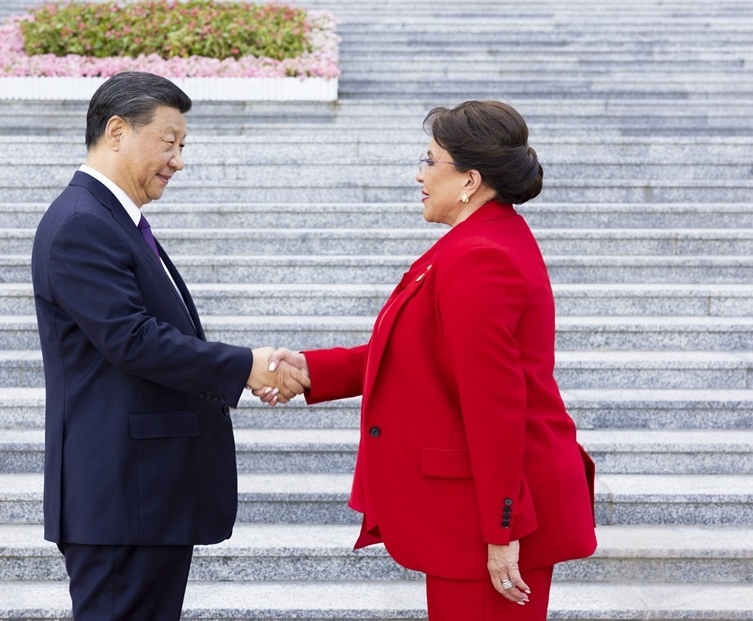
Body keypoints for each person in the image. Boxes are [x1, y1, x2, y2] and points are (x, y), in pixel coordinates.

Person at [263, 101, 597, 620]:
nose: (419, 175)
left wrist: (502, 529)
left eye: (429, 160)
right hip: (487, 506)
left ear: (470, 180)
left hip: (497, 512)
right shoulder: (480, 240)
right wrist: (312, 370)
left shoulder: (479, 256)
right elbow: (420, 351)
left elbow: (494, 404)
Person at [31, 71, 307, 621]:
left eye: (183, 146)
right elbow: (132, 339)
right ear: (117, 132)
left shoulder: (112, 220)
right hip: (121, 498)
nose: (178, 161)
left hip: (142, 497)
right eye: (169, 142)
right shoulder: (82, 223)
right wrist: (246, 366)